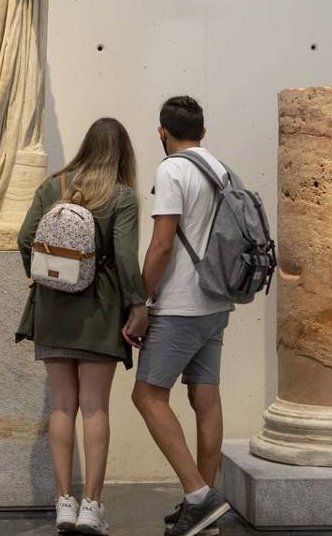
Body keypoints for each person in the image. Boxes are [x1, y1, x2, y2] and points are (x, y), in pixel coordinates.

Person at [16, 118, 148, 535]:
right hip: (100, 310)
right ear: (123, 153)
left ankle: (63, 504)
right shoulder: (121, 196)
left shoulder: (53, 186)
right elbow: (126, 259)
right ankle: (92, 504)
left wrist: (45, 278)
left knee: (61, 407)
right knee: (94, 408)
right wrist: (137, 305)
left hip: (53, 309)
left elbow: (24, 239)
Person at [123, 96, 233, 536]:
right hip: (217, 302)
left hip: (180, 304)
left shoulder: (172, 170)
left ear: (162, 132)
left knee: (147, 396)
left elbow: (162, 245)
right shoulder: (219, 169)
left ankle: (198, 496)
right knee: (205, 400)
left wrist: (141, 302)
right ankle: (204, 508)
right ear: (203, 131)